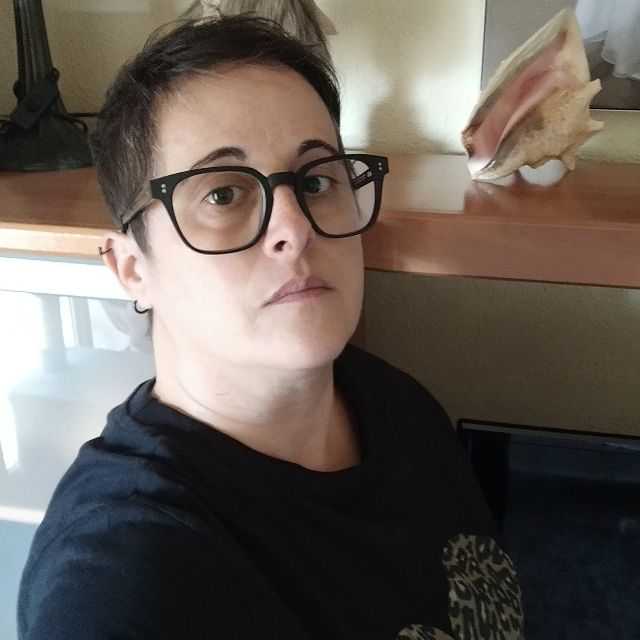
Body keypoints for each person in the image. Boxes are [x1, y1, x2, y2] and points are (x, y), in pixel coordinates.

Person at [17, 14, 525, 640]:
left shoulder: (399, 406)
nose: (296, 226)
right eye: (223, 195)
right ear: (132, 269)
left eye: (316, 180)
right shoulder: (121, 581)